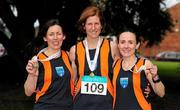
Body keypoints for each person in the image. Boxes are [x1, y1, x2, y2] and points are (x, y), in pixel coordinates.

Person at [69, 5, 120, 110]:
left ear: (101, 25)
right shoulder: (75, 50)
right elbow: (72, 80)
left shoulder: (112, 47)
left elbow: (121, 75)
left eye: (96, 23)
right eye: (89, 24)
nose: (93, 28)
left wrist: (141, 85)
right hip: (81, 104)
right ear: (84, 26)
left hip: (106, 105)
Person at [24, 19, 74, 110]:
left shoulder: (69, 56)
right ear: (45, 38)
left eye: (58, 34)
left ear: (64, 36)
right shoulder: (38, 60)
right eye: (51, 34)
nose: (55, 37)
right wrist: (32, 74)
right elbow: (28, 92)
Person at [112, 28, 165, 110]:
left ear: (137, 45)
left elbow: (161, 93)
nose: (126, 46)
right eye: (122, 42)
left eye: (130, 42)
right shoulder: (115, 65)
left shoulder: (145, 64)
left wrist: (155, 76)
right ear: (118, 45)